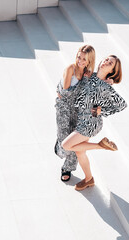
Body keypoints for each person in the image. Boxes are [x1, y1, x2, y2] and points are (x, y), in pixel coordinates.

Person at [62, 55, 127, 191]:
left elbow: (121, 105)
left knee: (66, 145)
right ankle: (89, 179)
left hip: (91, 123)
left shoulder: (105, 86)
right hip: (81, 119)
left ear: (112, 71)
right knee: (80, 152)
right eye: (106, 60)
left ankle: (101, 146)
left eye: (110, 63)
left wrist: (102, 110)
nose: (106, 62)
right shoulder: (91, 75)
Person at [55, 45, 95, 182]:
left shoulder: (88, 74)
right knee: (64, 145)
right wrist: (83, 82)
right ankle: (58, 145)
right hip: (64, 108)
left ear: (89, 61)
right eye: (79, 57)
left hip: (78, 110)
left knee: (74, 142)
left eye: (84, 59)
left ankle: (67, 168)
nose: (80, 61)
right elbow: (65, 93)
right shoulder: (70, 69)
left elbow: (92, 89)